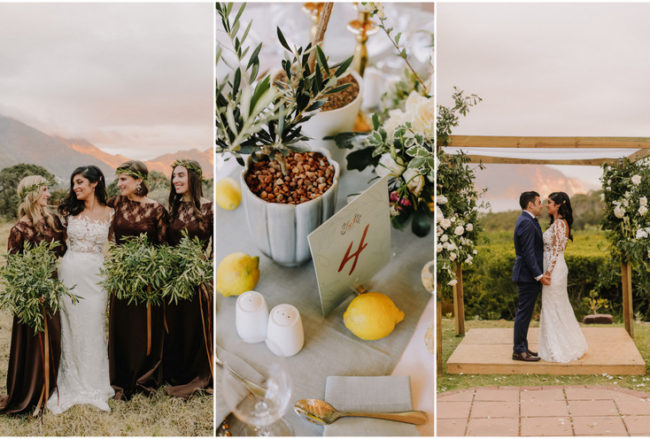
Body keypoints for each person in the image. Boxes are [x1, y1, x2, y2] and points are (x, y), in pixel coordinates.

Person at [46, 166, 115, 414]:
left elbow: (116, 246)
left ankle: (95, 382)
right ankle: (71, 380)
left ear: (95, 183)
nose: (75, 187)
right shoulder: (67, 212)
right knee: (72, 325)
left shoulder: (110, 212)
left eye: (80, 182)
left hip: (96, 275)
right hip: (71, 272)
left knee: (94, 324)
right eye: (74, 183)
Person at [0, 176, 65, 414]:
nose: (48, 195)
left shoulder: (54, 221)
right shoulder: (19, 228)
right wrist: (33, 291)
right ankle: (32, 390)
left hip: (52, 286)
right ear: (33, 195)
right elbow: (14, 267)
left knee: (55, 337)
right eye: (44, 191)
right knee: (34, 341)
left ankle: (52, 385)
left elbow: (61, 251)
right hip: (32, 293)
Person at [107, 160, 168, 400]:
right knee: (122, 327)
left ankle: (145, 376)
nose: (119, 183)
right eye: (118, 179)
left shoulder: (156, 209)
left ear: (138, 181)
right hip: (122, 276)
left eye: (124, 179)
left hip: (148, 278)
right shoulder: (114, 203)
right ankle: (120, 376)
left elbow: (164, 246)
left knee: (145, 329)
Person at [164, 159, 213, 398]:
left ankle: (196, 374)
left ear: (193, 178)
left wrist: (207, 262)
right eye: (174, 176)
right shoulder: (171, 209)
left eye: (181, 175)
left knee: (195, 324)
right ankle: (175, 372)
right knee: (175, 326)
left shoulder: (209, 208)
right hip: (173, 277)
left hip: (197, 277)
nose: (176, 181)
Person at [538, 192, 588, 362]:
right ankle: (556, 343)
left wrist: (548, 273)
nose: (547, 205)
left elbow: (557, 251)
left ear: (559, 205)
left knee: (554, 306)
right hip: (553, 267)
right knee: (555, 306)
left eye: (550, 203)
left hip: (555, 269)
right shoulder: (557, 223)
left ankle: (559, 347)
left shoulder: (559, 224)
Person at [512, 191, 550, 362]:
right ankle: (519, 350)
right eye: (539, 202)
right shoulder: (526, 223)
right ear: (530, 205)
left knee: (525, 313)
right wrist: (538, 275)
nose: (541, 205)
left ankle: (523, 347)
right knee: (523, 313)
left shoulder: (528, 220)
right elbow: (528, 252)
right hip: (527, 276)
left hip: (528, 275)